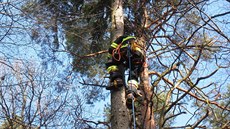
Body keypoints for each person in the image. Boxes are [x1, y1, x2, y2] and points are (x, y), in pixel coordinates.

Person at [105, 35, 145, 108]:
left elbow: (111, 50)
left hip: (126, 51)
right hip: (138, 55)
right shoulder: (134, 42)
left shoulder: (120, 40)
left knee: (110, 64)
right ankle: (131, 92)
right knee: (134, 73)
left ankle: (117, 79)